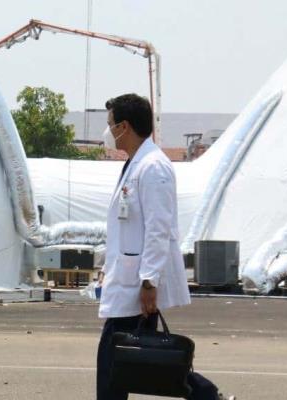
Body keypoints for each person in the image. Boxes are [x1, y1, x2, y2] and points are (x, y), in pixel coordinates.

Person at [95, 94, 234, 400]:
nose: (106, 132)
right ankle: (208, 396)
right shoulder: (137, 164)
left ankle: (207, 396)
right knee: (138, 359)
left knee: (116, 360)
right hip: (128, 279)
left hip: (138, 284)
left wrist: (149, 281)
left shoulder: (154, 167)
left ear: (124, 127)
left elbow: (160, 229)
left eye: (109, 125)